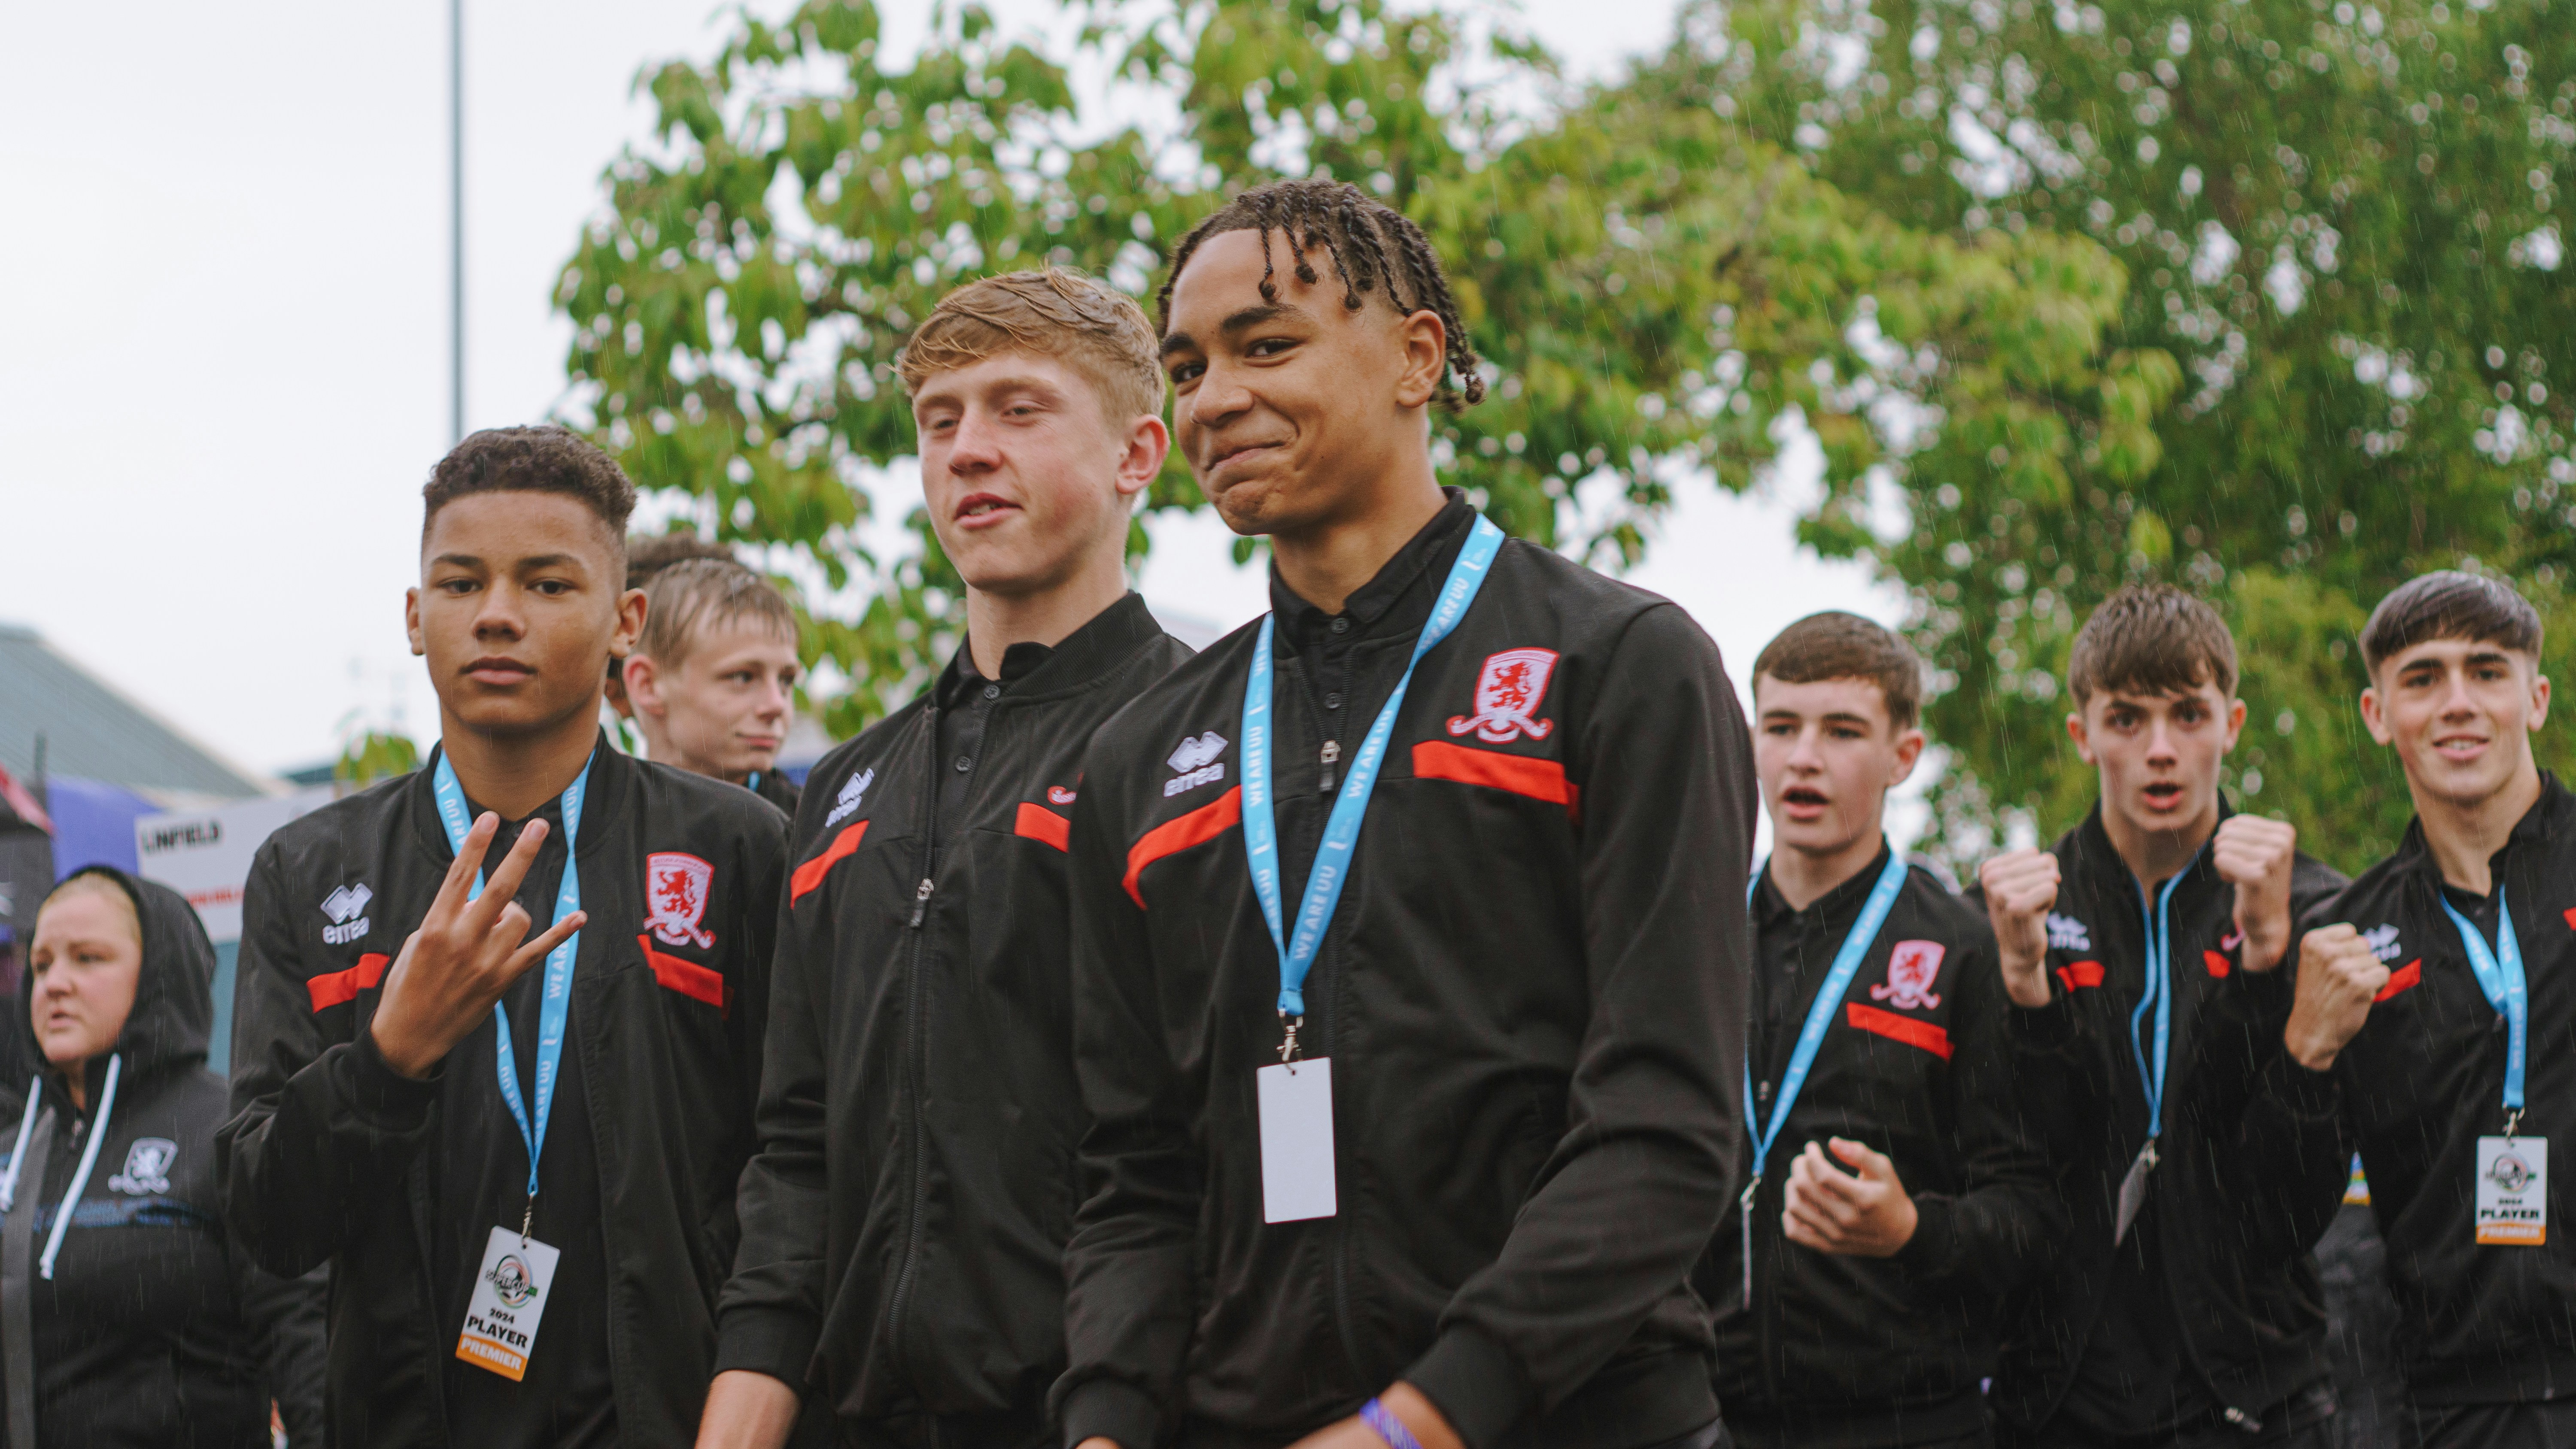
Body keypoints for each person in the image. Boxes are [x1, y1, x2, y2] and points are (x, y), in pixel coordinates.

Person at [1056, 178, 1755, 1449]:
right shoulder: (1141, 757)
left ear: (1415, 359)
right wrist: (1103, 1422)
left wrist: (1423, 1420)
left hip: (1580, 1418)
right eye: (1187, 366)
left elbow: (1666, 1124)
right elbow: (1134, 1177)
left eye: (1268, 345)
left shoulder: (1618, 665)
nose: (1214, 399)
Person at [218, 425, 791, 1447]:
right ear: (412, 615)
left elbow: (800, 1170)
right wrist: (387, 1063)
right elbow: (267, 1218)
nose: (495, 615)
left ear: (626, 622)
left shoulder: (738, 849)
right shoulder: (311, 871)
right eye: (460, 582)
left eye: (545, 584)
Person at [697, 268, 1191, 1449]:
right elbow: (799, 1152)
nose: (969, 449)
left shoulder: (1206, 743)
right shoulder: (848, 790)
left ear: (1139, 456)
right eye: (941, 420)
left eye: (1019, 409)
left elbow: (1200, 1153)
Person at [1975, 585, 2351, 1447]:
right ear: (2082, 734)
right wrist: (2027, 982)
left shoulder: (2320, 912)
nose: (2159, 751)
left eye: (2188, 714)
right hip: (2058, 1393)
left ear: (2233, 722)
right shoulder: (2004, 916)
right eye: (2125, 719)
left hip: (2258, 1391)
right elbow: (2023, 1160)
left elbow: (2295, 1201)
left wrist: (2263, 959)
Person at [1701, 612, 2060, 1449]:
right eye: (1782, 726)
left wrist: (1911, 1229)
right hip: (1705, 1415)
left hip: (1907, 1420)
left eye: (1842, 730)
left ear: (1905, 754)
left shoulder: (1965, 948)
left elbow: (2035, 1213)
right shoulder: (1692, 933)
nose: (1804, 757)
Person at [2265, 571, 2576, 1448]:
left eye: (2486, 670)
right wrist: (2304, 1053)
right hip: (2448, 1406)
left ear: (2536, 698)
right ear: (2376, 714)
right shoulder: (2341, 936)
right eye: (2422, 677)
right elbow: (2282, 1218)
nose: (2458, 703)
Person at [7, 867, 326, 1447]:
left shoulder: (231, 1129)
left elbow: (309, 1353)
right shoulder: (13, 1156)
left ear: (159, 975)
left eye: (88, 958)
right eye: (42, 964)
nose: (54, 983)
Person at [622, 556, 808, 817]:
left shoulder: (818, 836)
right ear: (648, 685)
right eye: (743, 677)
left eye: (786, 681)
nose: (777, 705)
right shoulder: (582, 826)